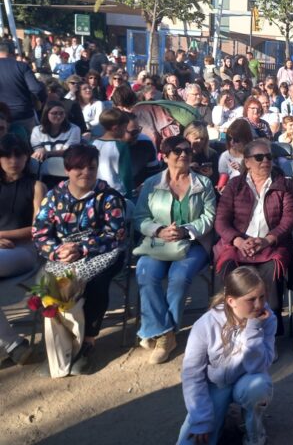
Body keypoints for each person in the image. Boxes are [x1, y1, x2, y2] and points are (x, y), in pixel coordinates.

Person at [32, 144, 127, 374]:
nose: (86, 172)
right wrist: (58, 251)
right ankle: (59, 346)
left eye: (91, 168)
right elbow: (40, 232)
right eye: (79, 168)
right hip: (63, 253)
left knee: (96, 283)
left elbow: (114, 234)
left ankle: (88, 343)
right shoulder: (54, 197)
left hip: (103, 253)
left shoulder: (108, 197)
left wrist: (82, 248)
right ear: (67, 169)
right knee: (48, 285)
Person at [133, 135, 217, 365]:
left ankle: (160, 334)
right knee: (145, 272)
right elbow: (140, 217)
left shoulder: (203, 184)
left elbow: (209, 217)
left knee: (179, 277)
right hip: (159, 242)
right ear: (165, 155)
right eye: (177, 151)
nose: (183, 155)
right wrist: (158, 230)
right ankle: (165, 332)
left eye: (187, 151)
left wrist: (186, 230)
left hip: (193, 243)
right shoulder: (151, 184)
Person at [177, 266, 276, 445]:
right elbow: (192, 375)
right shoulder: (206, 325)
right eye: (251, 299)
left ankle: (255, 434)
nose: (259, 305)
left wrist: (253, 328)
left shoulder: (267, 318)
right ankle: (223, 419)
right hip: (216, 386)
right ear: (231, 301)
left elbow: (259, 366)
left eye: (262, 297)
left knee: (259, 387)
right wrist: (201, 419)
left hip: (247, 379)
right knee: (191, 441)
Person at [214, 140, 293, 336]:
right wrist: (239, 241)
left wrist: (268, 239)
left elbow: (289, 219)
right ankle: (236, 328)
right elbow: (221, 221)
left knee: (272, 272)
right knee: (231, 272)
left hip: (271, 244)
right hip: (238, 244)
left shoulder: (281, 184)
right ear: (247, 162)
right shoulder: (235, 185)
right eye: (259, 157)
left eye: (269, 157)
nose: (265, 161)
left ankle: (270, 332)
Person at [0, 135, 46, 365]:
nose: (13, 160)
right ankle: (13, 344)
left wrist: (1, 236)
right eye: (6, 155)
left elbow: (38, 229)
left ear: (27, 156)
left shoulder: (37, 186)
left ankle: (10, 343)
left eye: (18, 154)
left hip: (26, 251)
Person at [0, 39, 46, 135]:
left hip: (2, 116)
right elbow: (36, 89)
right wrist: (43, 100)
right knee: (28, 146)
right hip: (23, 115)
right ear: (13, 53)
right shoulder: (22, 66)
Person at [92, 107, 133, 198]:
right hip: (117, 193)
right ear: (115, 128)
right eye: (124, 128)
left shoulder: (93, 143)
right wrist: (129, 194)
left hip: (96, 191)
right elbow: (126, 174)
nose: (125, 131)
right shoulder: (121, 146)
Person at [217, 118, 254, 191]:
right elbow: (222, 181)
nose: (232, 142)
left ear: (245, 139)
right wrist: (222, 189)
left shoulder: (255, 154)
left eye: (236, 140)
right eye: (229, 138)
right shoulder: (225, 156)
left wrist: (243, 170)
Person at [184, 121, 220, 186]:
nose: (199, 141)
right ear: (187, 137)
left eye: (202, 138)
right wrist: (188, 169)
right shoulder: (181, 154)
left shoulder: (212, 154)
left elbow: (216, 180)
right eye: (196, 138)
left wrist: (210, 175)